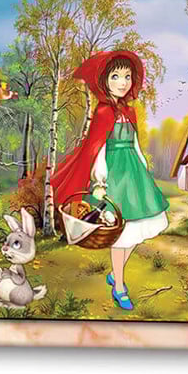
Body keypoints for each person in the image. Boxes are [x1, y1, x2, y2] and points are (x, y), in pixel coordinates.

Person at [51, 50, 168, 311]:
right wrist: (100, 180)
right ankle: (120, 288)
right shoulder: (103, 112)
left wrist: (143, 166)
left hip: (134, 172)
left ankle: (115, 274)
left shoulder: (130, 111)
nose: (122, 82)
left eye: (127, 76)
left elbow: (135, 142)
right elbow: (98, 147)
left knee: (138, 227)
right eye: (115, 77)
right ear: (104, 81)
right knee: (120, 232)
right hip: (114, 173)